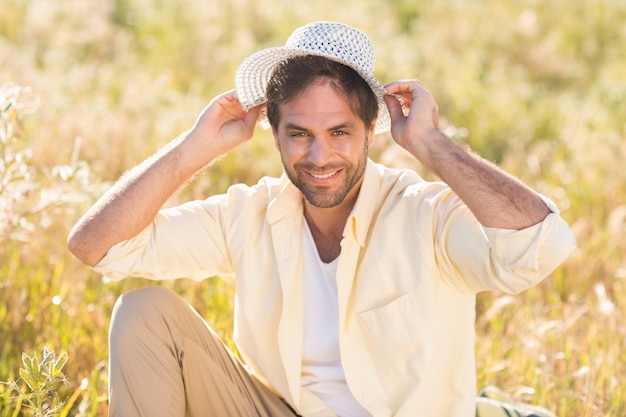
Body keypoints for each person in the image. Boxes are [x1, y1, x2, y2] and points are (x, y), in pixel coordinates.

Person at [67, 21, 576, 417]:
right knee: (142, 312)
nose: (319, 156)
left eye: (338, 132)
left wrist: (430, 143)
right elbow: (98, 247)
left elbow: (540, 248)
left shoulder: (422, 213)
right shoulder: (251, 214)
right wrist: (194, 148)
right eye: (299, 134)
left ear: (371, 129)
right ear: (274, 133)